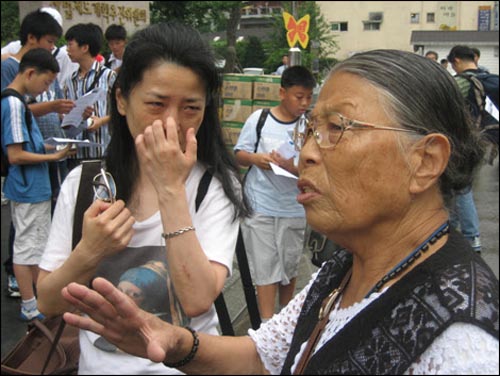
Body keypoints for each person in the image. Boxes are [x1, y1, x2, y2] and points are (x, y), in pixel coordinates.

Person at [59, 49, 499, 374]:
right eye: (311, 128)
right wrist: (175, 343)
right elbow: (262, 358)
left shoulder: (463, 346)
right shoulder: (344, 270)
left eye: (337, 128)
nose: (306, 152)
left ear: (425, 161)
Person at [36, 21, 251, 374]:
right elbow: (47, 301)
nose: (172, 122)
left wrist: (170, 190)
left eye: (190, 108)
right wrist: (90, 251)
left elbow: (197, 301)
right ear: (121, 100)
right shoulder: (84, 182)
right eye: (156, 103)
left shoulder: (214, 186)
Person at [1, 8, 75, 299]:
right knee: (25, 250)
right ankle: (32, 303)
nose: (45, 89)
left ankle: (37, 298)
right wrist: (52, 157)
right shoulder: (15, 104)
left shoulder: (17, 102)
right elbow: (16, 154)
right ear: (29, 72)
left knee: (32, 247)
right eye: (45, 84)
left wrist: (49, 149)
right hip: (28, 187)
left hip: (33, 187)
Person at [234, 65, 315, 323]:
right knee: (265, 267)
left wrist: (291, 167)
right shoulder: (259, 119)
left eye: (308, 97)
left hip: (293, 206)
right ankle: (268, 324)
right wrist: (256, 159)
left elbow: (316, 165)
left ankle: (286, 317)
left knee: (289, 265)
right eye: (298, 96)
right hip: (261, 204)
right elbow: (239, 155)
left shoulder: (310, 127)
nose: (304, 103)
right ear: (282, 92)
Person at [446, 45, 487, 253]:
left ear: (457, 60)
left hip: (463, 141)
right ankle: (450, 231)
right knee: (458, 186)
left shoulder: (460, 83)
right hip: (484, 140)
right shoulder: (489, 77)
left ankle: (471, 237)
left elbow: (443, 107)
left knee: (461, 188)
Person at [62, 23, 117, 170]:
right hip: (76, 152)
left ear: (85, 47)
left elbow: (124, 107)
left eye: (70, 44)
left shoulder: (109, 76)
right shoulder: (69, 81)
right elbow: (64, 114)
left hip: (102, 149)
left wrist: (102, 120)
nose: (67, 49)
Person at [1, 7, 79, 85]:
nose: (52, 47)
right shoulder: (7, 69)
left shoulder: (49, 69)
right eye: (50, 41)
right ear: (31, 38)